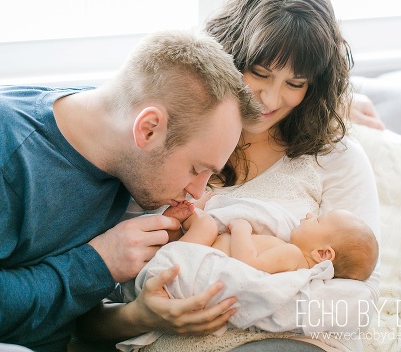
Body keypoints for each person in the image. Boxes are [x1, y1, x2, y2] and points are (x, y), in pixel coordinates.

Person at [76, 1, 381, 351]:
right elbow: (82, 318)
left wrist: (253, 296)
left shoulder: (335, 158)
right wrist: (141, 316)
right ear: (228, 55)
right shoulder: (160, 142)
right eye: (260, 73)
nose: (270, 99)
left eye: (295, 83)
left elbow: (360, 299)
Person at [0, 30, 261, 352]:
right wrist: (99, 262)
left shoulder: (127, 157)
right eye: (196, 169)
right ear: (148, 129)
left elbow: (74, 318)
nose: (196, 191)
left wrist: (140, 315)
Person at [164, 200, 378, 281]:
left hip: (197, 260)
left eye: (318, 220)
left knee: (205, 225)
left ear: (322, 254)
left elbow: (248, 264)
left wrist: (241, 230)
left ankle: (169, 240)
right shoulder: (291, 256)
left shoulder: (292, 255)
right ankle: (171, 238)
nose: (309, 215)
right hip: (201, 253)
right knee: (195, 227)